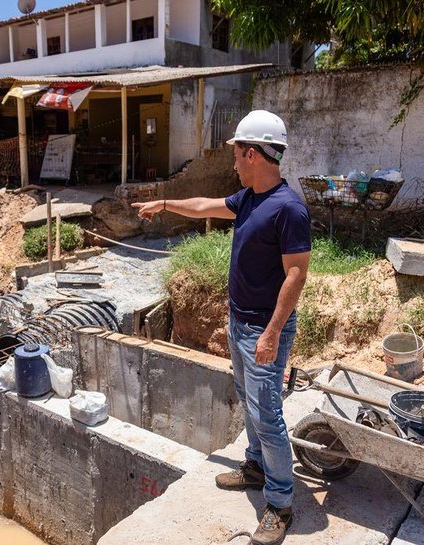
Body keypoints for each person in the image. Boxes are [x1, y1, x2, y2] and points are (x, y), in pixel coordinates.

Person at [132, 110, 311, 545]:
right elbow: (204, 207)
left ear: (253, 154)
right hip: (240, 324)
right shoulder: (249, 198)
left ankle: (280, 504)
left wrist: (271, 333)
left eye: (236, 153)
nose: (233, 162)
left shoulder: (289, 209)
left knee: (268, 415)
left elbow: (296, 275)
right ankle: (256, 467)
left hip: (264, 330)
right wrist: (165, 203)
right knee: (251, 405)